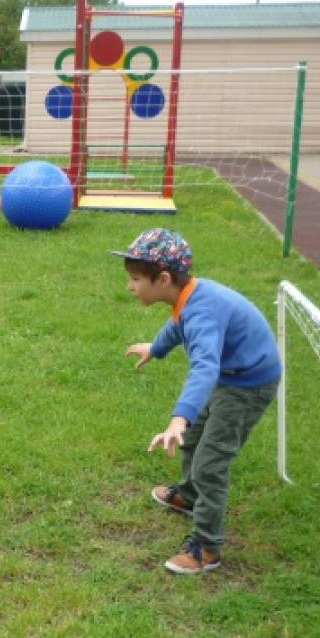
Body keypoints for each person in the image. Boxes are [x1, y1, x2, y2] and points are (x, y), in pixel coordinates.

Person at [113, 228, 282, 575]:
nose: (130, 286)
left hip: (248, 385)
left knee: (210, 463)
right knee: (193, 442)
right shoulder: (188, 297)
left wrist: (179, 418)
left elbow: (206, 367)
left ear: (162, 279)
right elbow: (178, 325)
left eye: (134, 279)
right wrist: (155, 348)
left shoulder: (202, 311)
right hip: (232, 376)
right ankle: (190, 497)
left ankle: (206, 548)